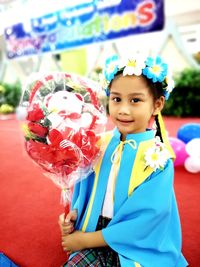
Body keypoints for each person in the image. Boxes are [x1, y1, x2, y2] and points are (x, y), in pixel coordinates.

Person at [58, 55, 188, 267]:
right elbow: (84, 189)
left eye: (135, 100)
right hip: (92, 228)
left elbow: (146, 221)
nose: (123, 109)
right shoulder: (98, 143)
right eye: (116, 99)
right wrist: (73, 214)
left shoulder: (159, 160)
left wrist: (84, 240)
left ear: (157, 104)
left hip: (136, 246)